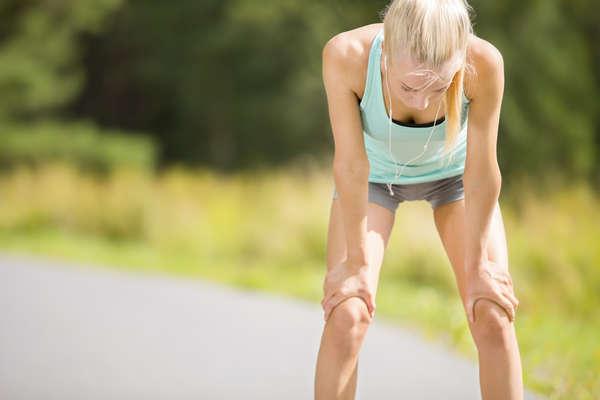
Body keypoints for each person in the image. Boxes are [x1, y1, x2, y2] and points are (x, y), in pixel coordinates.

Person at [315, 1, 523, 399]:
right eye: (409, 86)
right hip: (372, 180)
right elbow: (351, 166)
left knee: (492, 314)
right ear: (387, 50)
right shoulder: (346, 55)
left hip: (454, 179)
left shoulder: (485, 63)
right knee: (348, 314)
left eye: (440, 88)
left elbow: (481, 172)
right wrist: (356, 264)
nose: (424, 102)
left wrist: (479, 267)